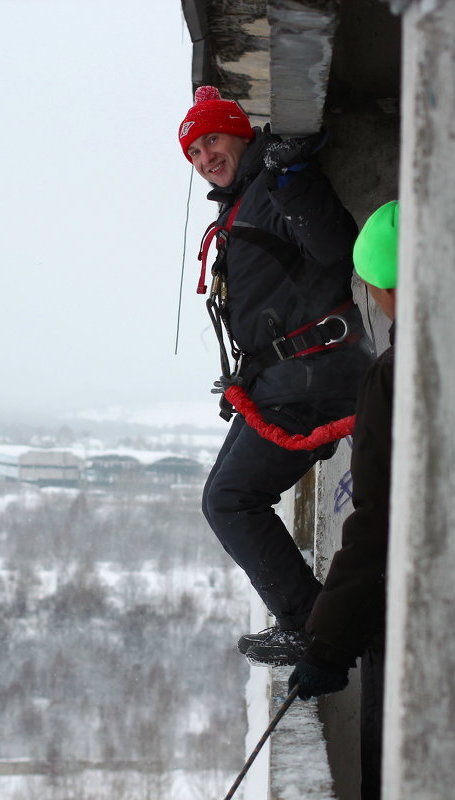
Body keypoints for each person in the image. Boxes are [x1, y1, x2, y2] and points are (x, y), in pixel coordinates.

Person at [179, 86, 374, 667]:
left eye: (212, 138)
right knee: (226, 498)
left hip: (312, 376)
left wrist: (294, 180)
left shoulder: (275, 181)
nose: (205, 156)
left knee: (231, 500)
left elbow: (335, 249)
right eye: (193, 151)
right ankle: (320, 624)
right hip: (285, 380)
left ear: (239, 130)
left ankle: (317, 628)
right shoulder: (246, 196)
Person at [286, 199, 399, 800]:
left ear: (384, 286)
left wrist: (327, 647)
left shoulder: (394, 374)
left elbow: (378, 520)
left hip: (414, 617)